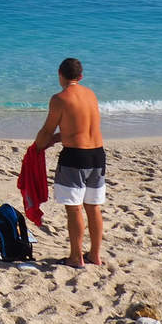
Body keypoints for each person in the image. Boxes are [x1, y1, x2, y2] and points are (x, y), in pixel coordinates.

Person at [33, 58, 104, 268]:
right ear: (80, 77)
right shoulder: (91, 94)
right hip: (98, 155)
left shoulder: (59, 99)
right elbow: (79, 128)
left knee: (74, 209)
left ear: (59, 74)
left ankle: (76, 257)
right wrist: (56, 139)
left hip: (75, 158)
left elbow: (47, 129)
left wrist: (37, 147)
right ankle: (95, 255)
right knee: (93, 208)